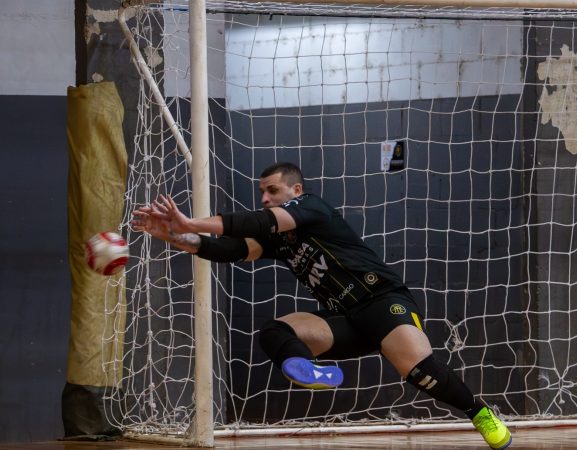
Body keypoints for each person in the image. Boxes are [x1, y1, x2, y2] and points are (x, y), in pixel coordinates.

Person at [132, 162, 511, 449]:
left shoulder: (312, 207)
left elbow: (259, 221)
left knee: (417, 369)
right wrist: (175, 235)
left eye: (272, 190)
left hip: (381, 301)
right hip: (343, 318)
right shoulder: (278, 240)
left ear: (295, 190)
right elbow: (230, 249)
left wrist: (190, 221)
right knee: (276, 330)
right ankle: (307, 369)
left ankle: (479, 413)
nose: (265, 197)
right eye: (262, 191)